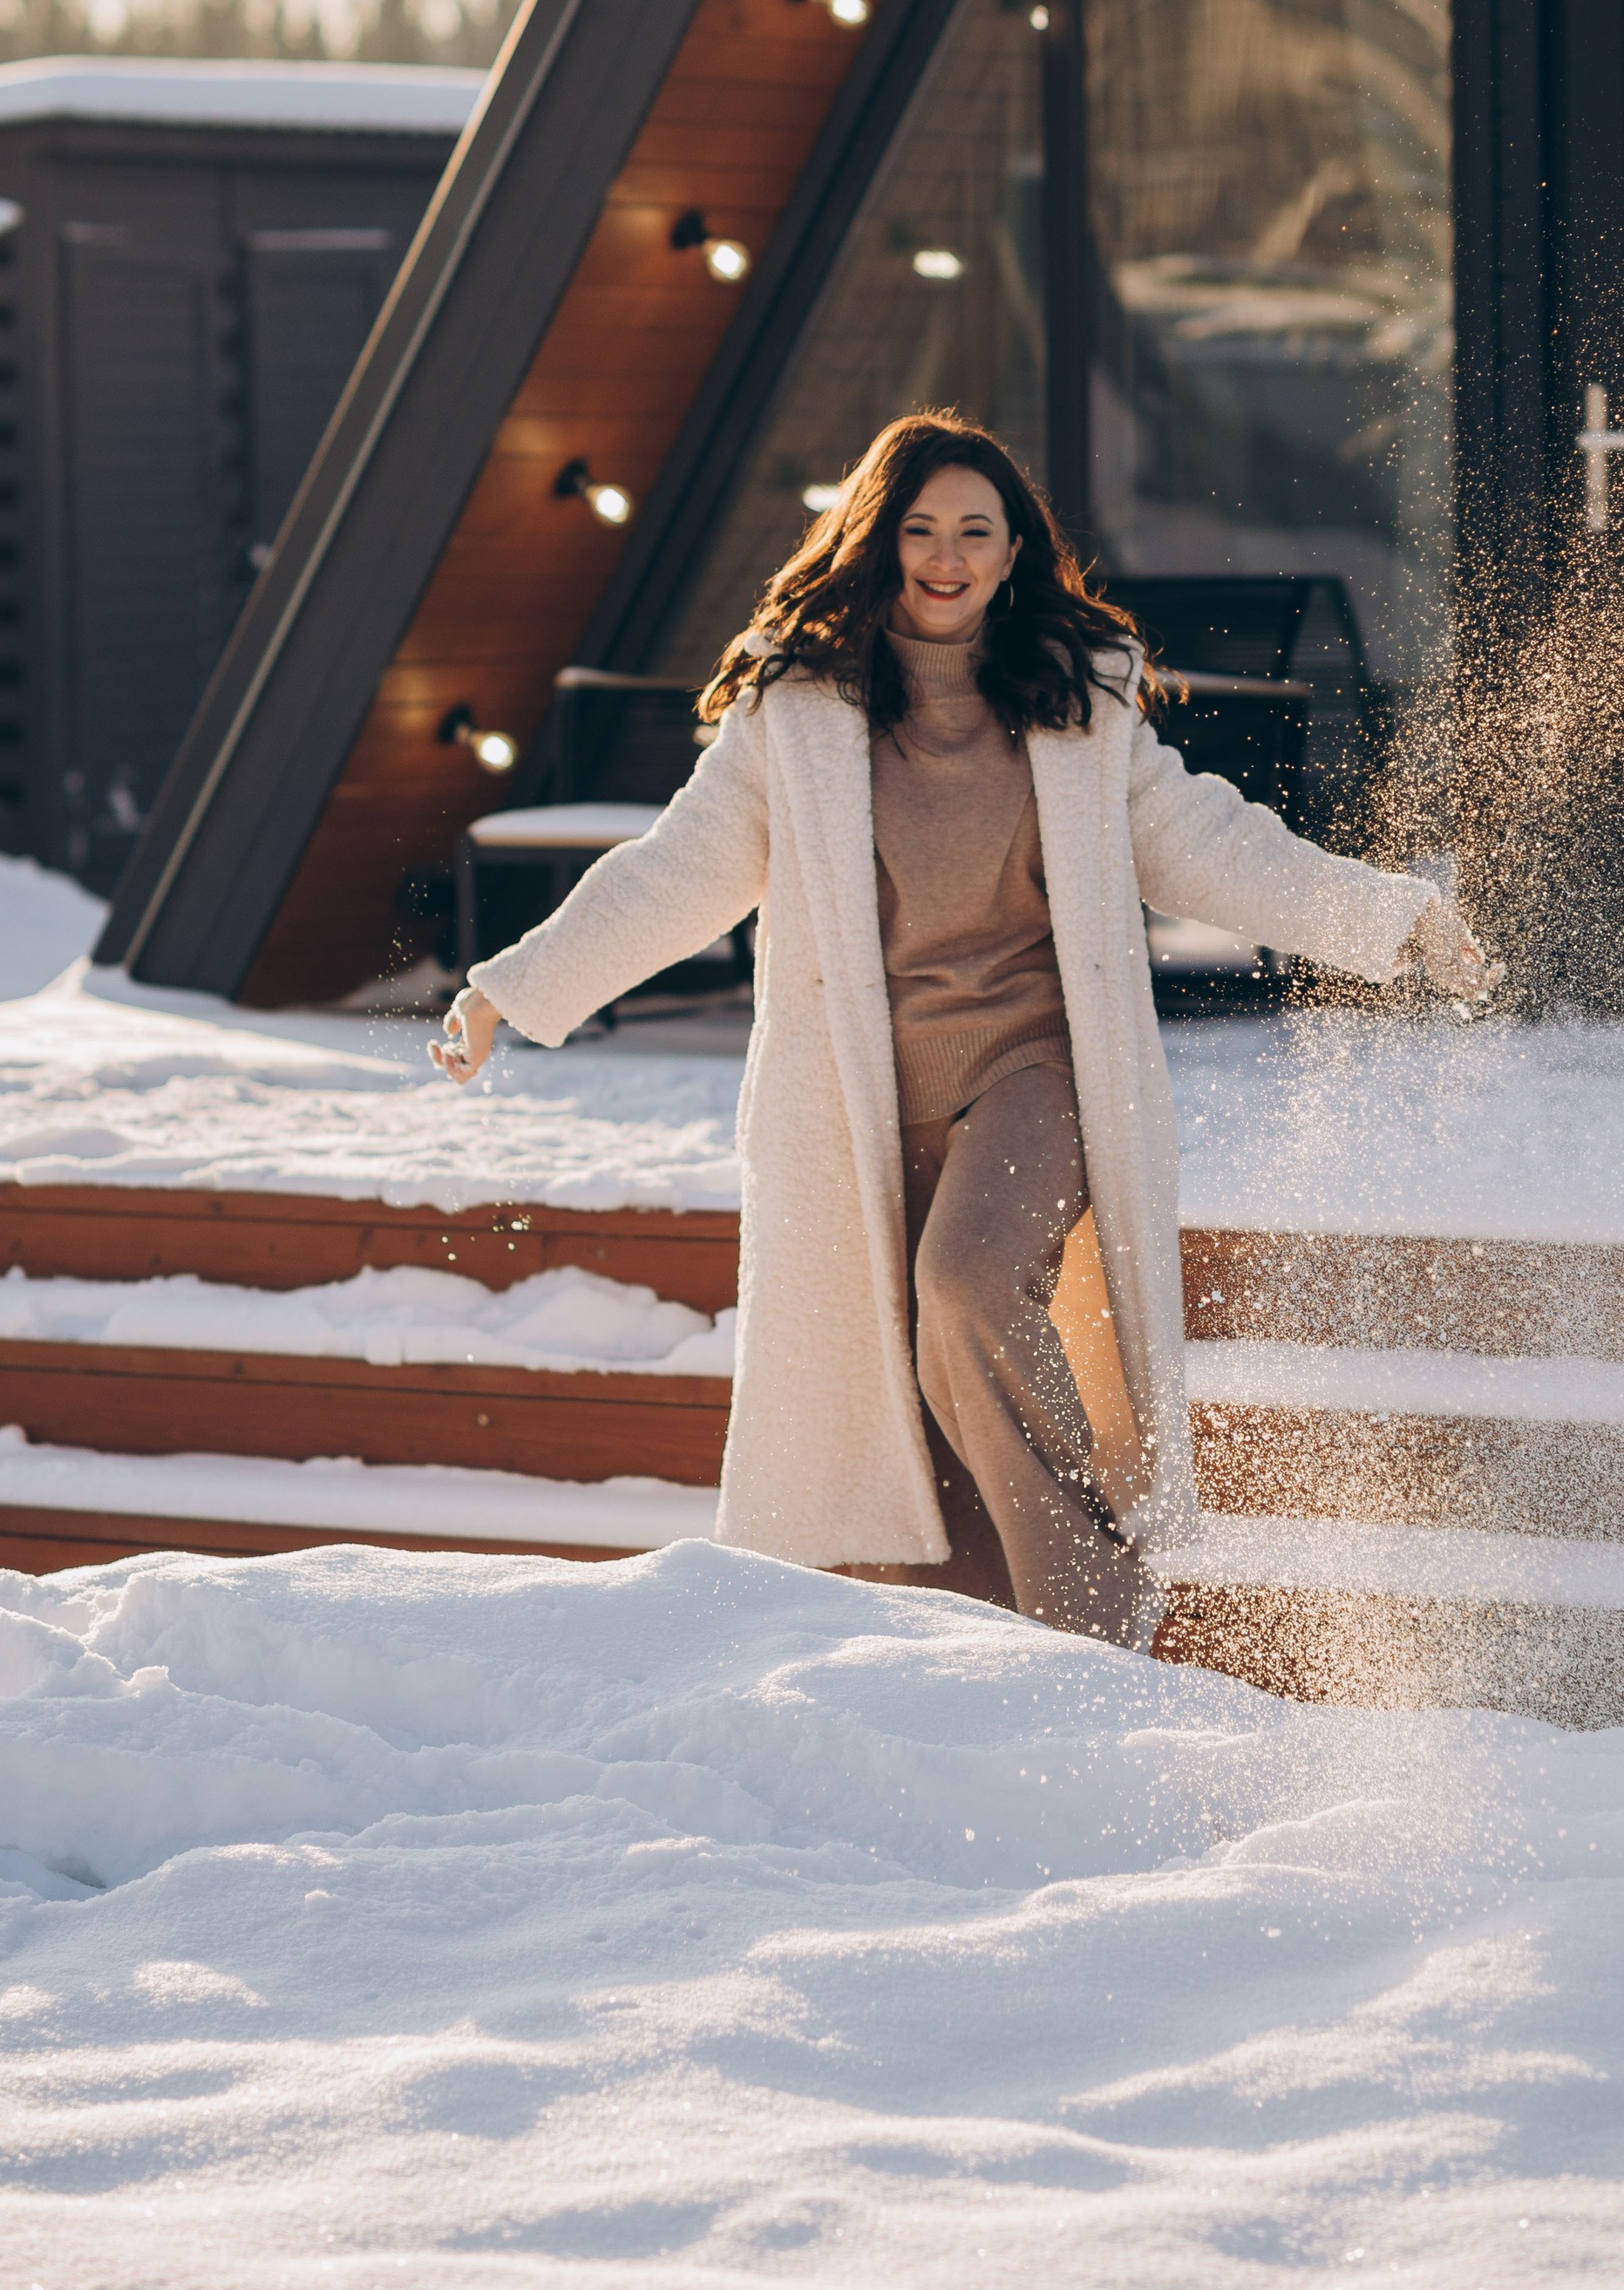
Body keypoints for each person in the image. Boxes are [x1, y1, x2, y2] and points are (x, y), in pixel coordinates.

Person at [432, 411, 1492, 1648]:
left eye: (974, 533)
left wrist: (1391, 920)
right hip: (867, 1100)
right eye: (921, 530)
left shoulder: (1074, 699)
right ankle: (978, 1653)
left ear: (1011, 553)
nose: (947, 557)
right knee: (914, 1391)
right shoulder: (800, 713)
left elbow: (1208, 841)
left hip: (1033, 1069)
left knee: (968, 1288)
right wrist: (513, 984)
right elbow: (675, 873)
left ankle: (1097, 1611)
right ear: (878, 544)